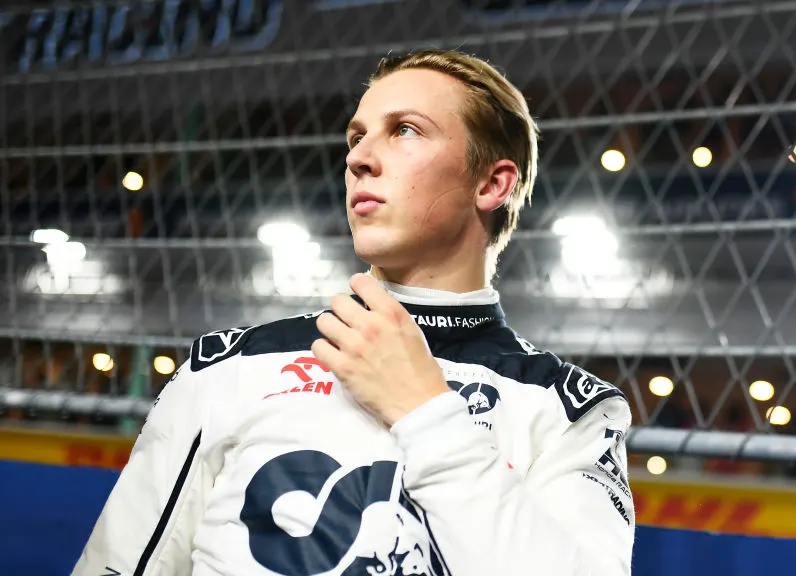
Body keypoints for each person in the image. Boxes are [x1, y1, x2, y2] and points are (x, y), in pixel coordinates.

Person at [72, 48, 635, 576]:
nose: (359, 158)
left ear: (492, 183)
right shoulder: (233, 366)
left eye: (405, 131)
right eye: (357, 137)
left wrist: (425, 412)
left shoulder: (570, 412)